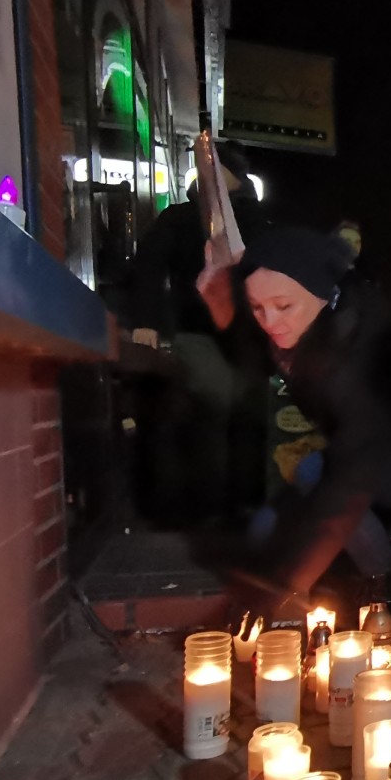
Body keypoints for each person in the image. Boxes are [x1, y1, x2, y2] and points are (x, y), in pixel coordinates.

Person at [196, 227, 391, 605]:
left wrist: (290, 585)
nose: (270, 321)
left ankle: (387, 581)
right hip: (385, 447)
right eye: (258, 308)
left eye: (283, 306)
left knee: (318, 483)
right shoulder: (315, 324)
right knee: (286, 506)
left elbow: (350, 481)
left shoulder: (356, 355)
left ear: (321, 293)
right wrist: (221, 302)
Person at [129, 143, 272, 524]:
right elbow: (147, 267)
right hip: (198, 333)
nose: (208, 175)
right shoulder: (180, 217)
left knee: (248, 419)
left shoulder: (257, 221)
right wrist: (147, 320)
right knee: (213, 411)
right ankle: (212, 511)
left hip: (251, 340)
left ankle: (244, 506)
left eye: (218, 168)